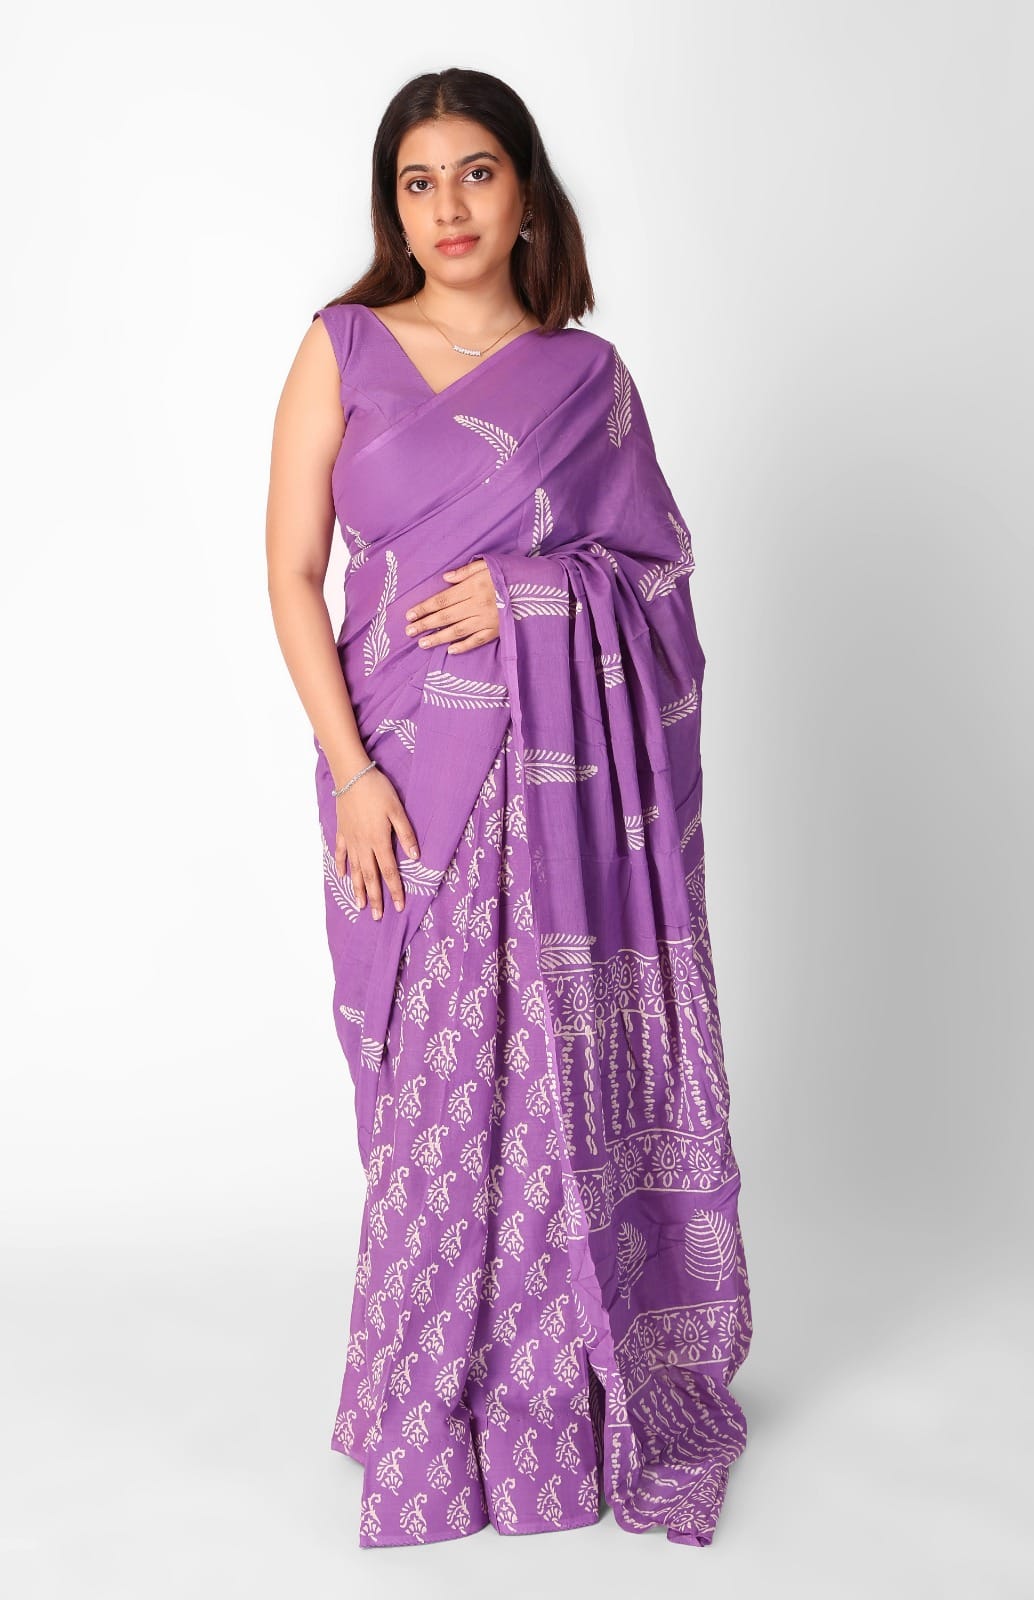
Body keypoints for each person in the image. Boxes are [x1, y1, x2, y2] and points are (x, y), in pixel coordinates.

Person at [266, 66, 752, 1551]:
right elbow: (292, 573)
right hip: (400, 777)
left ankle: (564, 1400)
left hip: (553, 795)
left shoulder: (586, 380)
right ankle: (423, 1400)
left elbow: (658, 584)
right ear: (392, 208)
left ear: (525, 191)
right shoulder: (343, 345)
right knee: (422, 1092)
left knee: (545, 1086)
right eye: (418, 182)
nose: (449, 207)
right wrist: (354, 774)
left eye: (475, 173)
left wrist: (535, 597)